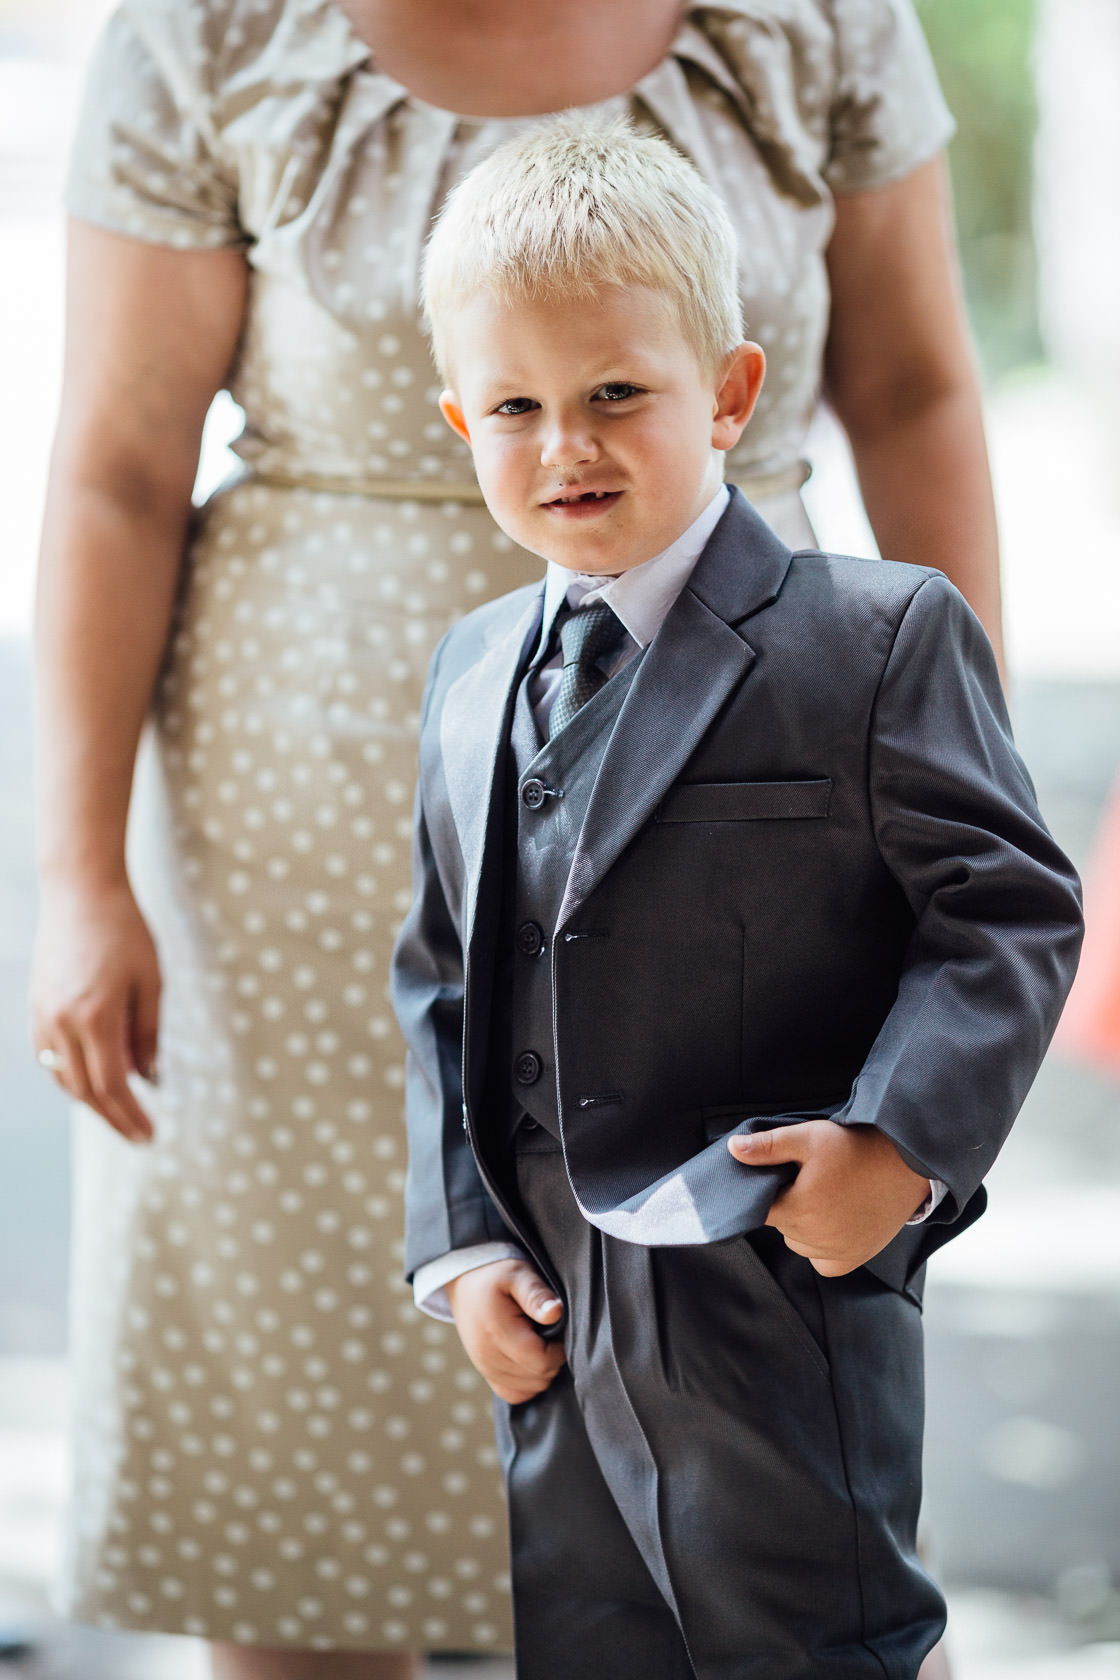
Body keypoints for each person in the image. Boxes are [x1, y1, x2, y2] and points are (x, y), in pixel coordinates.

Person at [31, 0, 1000, 1672]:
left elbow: (912, 385)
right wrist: (77, 872)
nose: (561, 446)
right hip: (296, 827)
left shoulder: (818, 24)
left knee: (740, 1517)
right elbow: (117, 460)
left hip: (749, 823)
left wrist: (941, 756)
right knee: (311, 1466)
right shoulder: (207, 31)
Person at [390, 116, 1083, 1678]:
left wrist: (896, 1147)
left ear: (730, 392)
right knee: (594, 1640)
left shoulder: (878, 634)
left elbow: (1009, 910)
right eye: (516, 407)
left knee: (813, 1644)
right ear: (459, 421)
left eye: (617, 394)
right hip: (557, 1304)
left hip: (777, 1277)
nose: (566, 445)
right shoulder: (468, 673)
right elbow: (441, 972)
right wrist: (461, 1245)